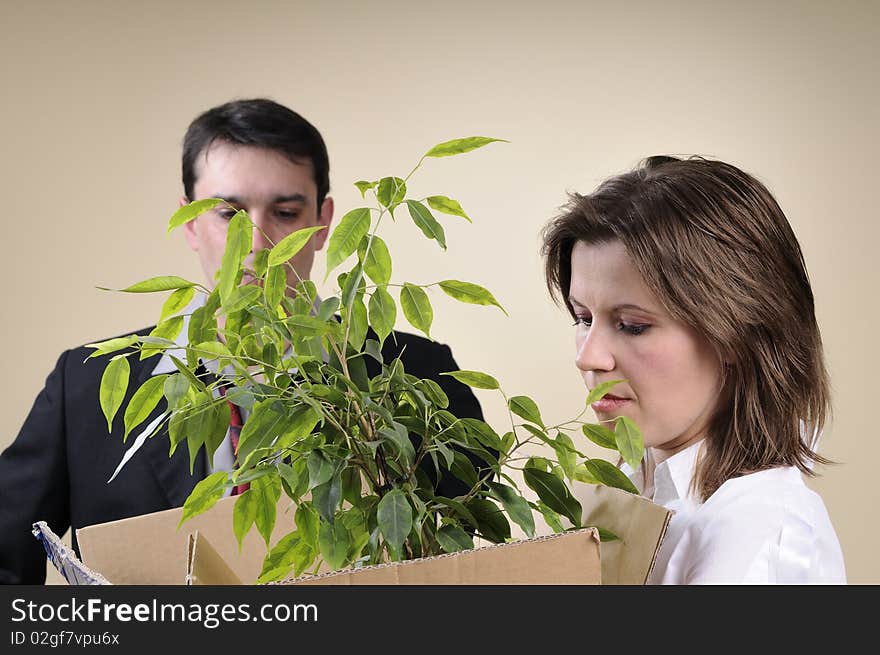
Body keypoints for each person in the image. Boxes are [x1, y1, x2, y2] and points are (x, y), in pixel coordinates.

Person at [0, 98, 483, 584]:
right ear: (189, 220)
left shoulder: (419, 376)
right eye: (228, 215)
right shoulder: (88, 385)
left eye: (286, 212)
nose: (256, 245)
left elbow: (478, 576)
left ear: (322, 222)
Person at [542, 155, 846, 584]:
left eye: (633, 326)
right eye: (583, 318)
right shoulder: (627, 496)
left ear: (735, 334)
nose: (588, 357)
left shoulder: (760, 536)